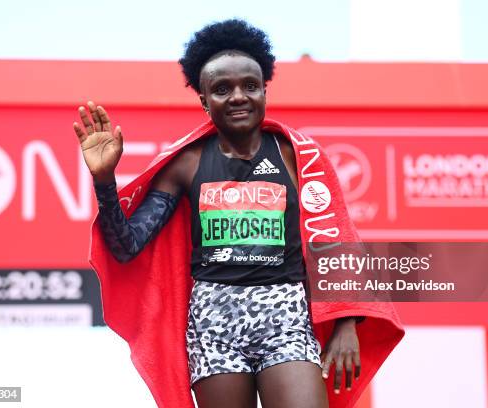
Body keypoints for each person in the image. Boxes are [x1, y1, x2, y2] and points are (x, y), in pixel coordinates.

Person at [75, 19, 404, 408]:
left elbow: (334, 240)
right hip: (214, 323)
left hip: (286, 317)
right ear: (203, 100)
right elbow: (127, 245)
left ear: (265, 90)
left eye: (250, 85)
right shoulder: (187, 164)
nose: (238, 97)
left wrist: (347, 321)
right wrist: (105, 182)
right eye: (221, 89)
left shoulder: (298, 156)